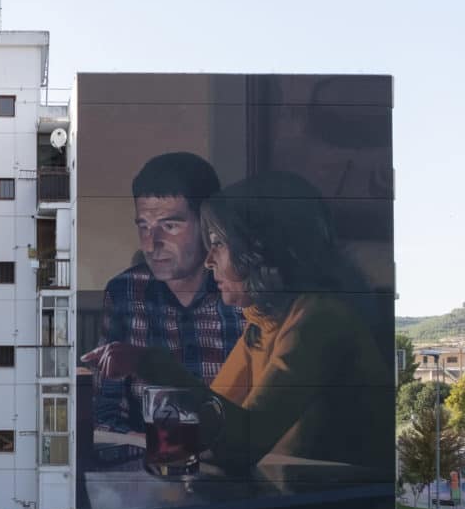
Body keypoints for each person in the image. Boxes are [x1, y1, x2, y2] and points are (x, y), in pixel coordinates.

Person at [83, 170, 392, 469]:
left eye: (218, 242)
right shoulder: (262, 324)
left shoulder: (321, 320)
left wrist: (158, 368)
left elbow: (241, 445)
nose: (208, 260)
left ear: (260, 249)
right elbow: (213, 430)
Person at [92, 152, 243, 432]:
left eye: (170, 226)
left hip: (232, 457)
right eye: (144, 227)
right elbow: (108, 410)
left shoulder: (242, 294)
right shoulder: (124, 291)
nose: (151, 244)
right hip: (148, 456)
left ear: (208, 223)